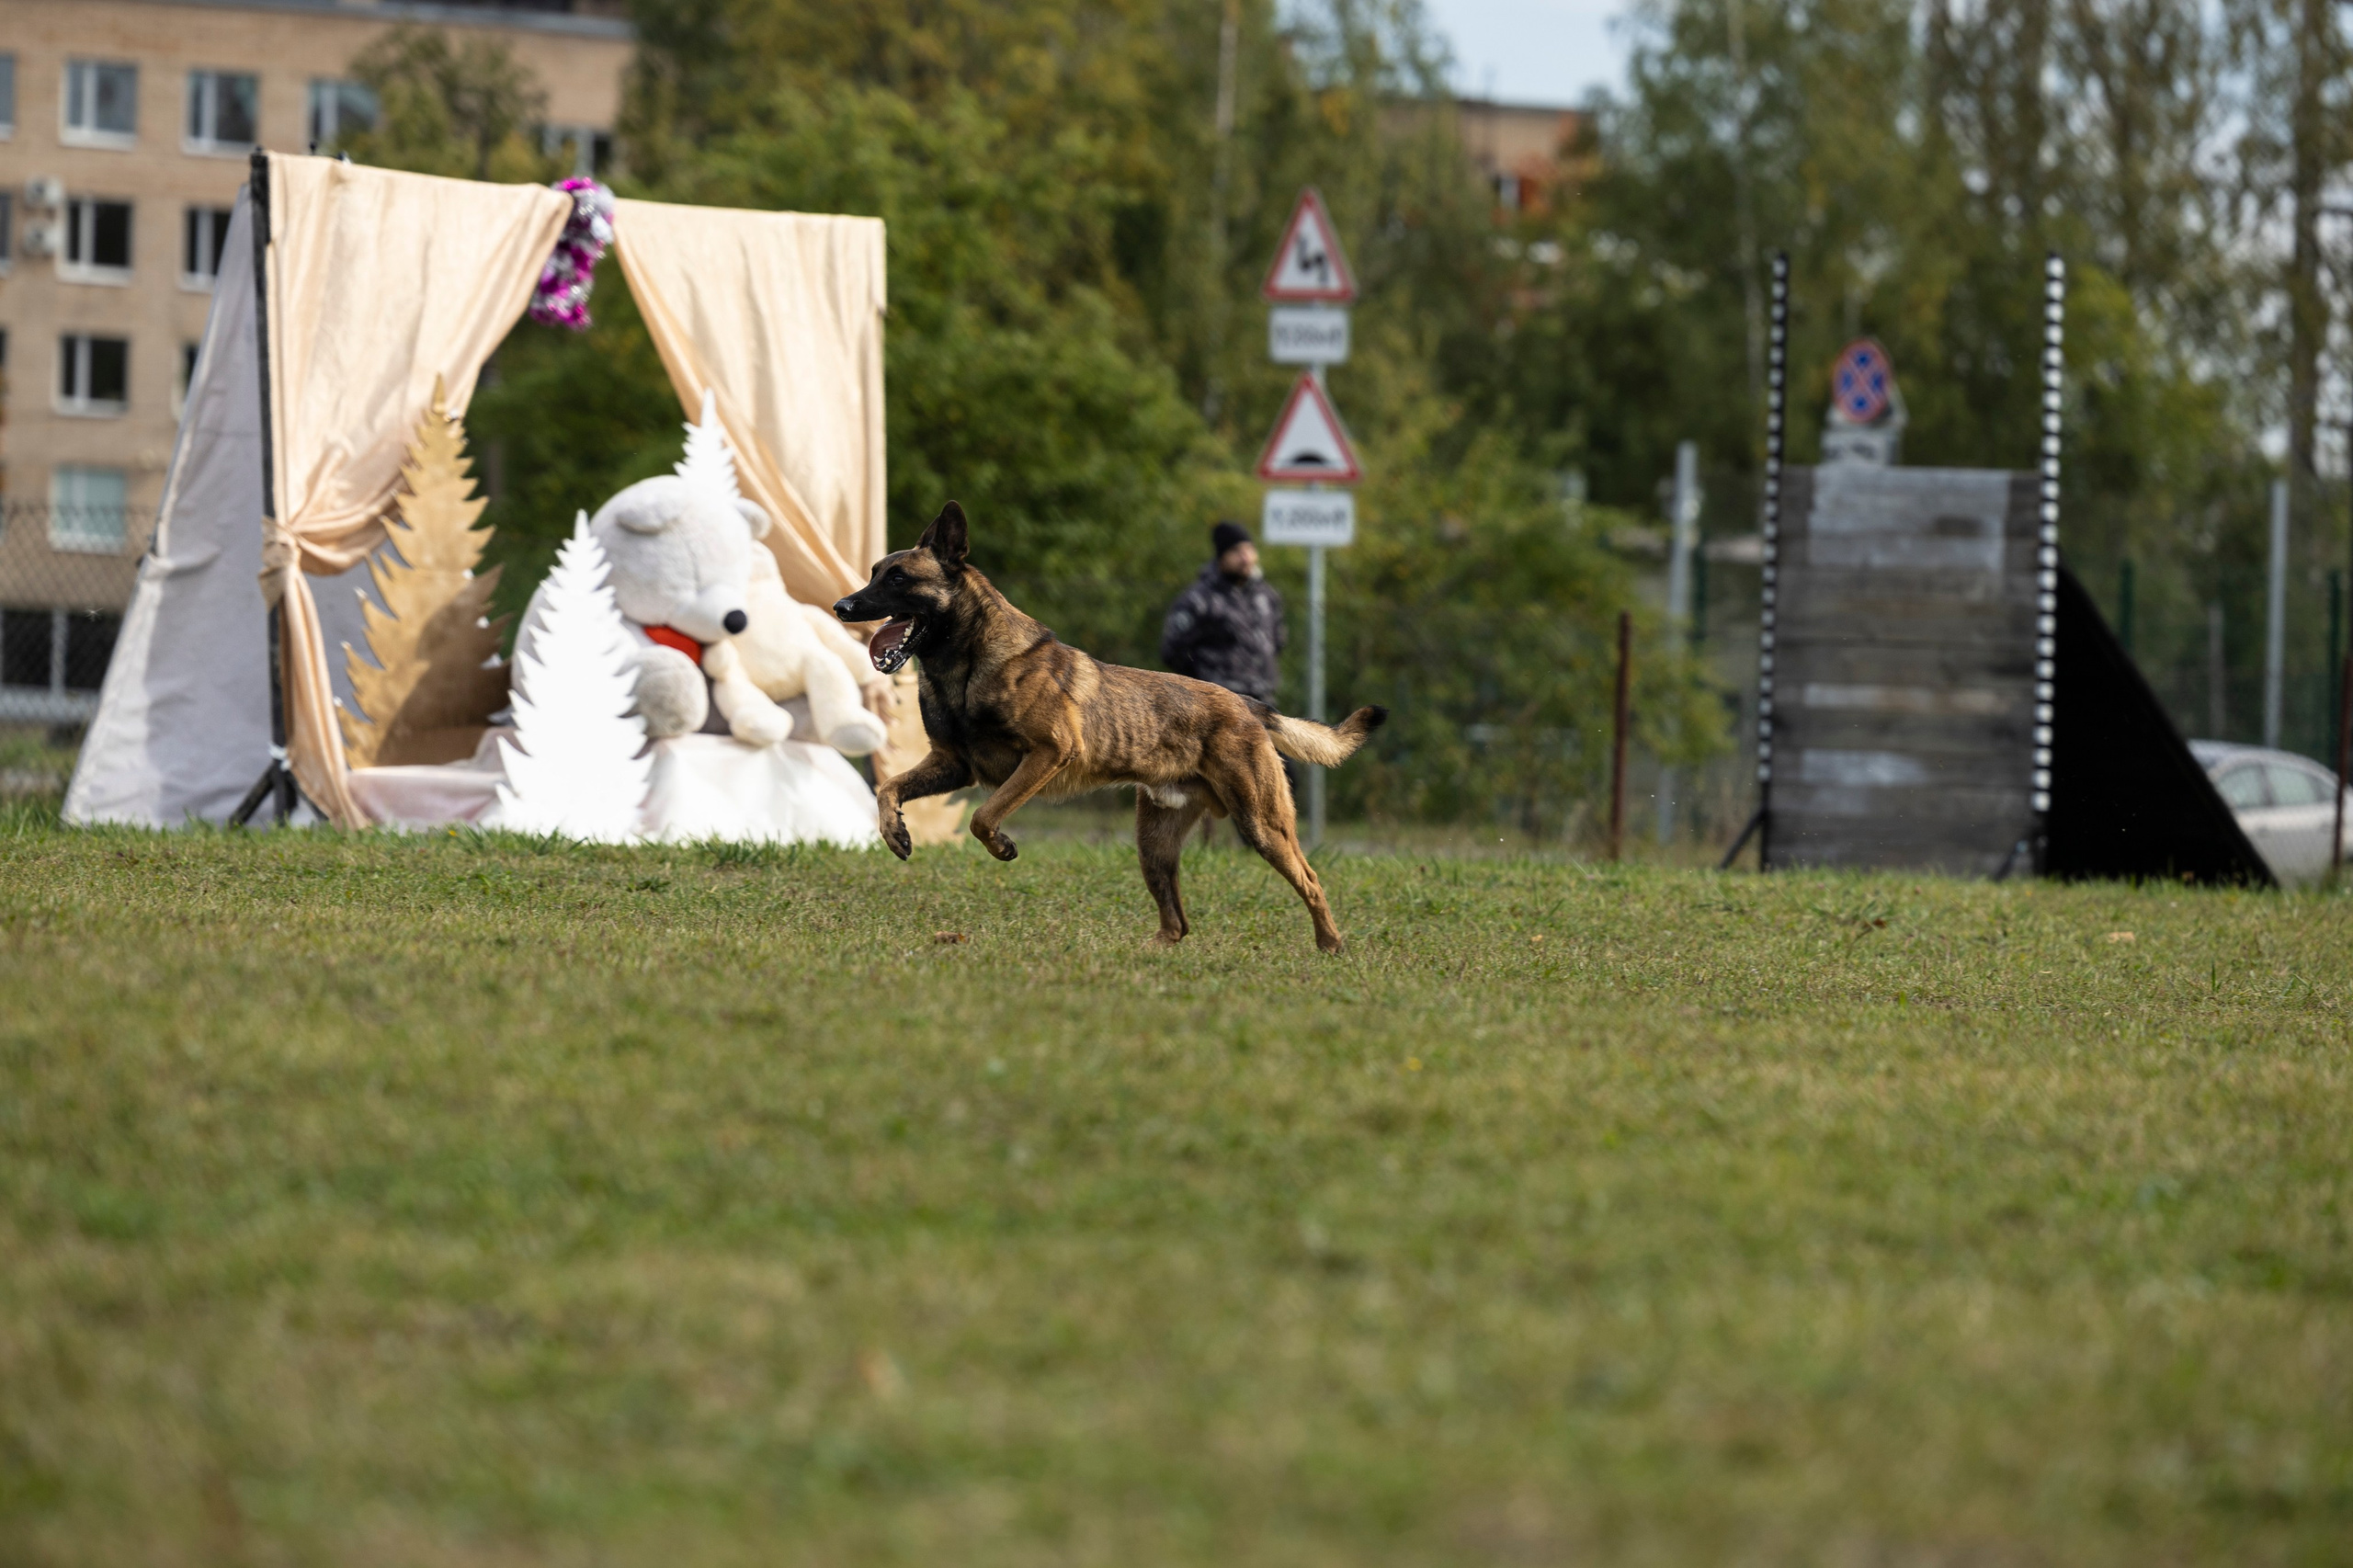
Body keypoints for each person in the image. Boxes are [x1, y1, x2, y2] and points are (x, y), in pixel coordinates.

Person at [1161, 520, 1286, 705]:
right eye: (1236, 551)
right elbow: (1172, 651)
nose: (1246, 558)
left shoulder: (1267, 596)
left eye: (1249, 549)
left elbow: (1278, 640)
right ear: (1221, 558)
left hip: (1263, 701)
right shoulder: (1199, 599)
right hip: (1219, 705)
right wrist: (1203, 684)